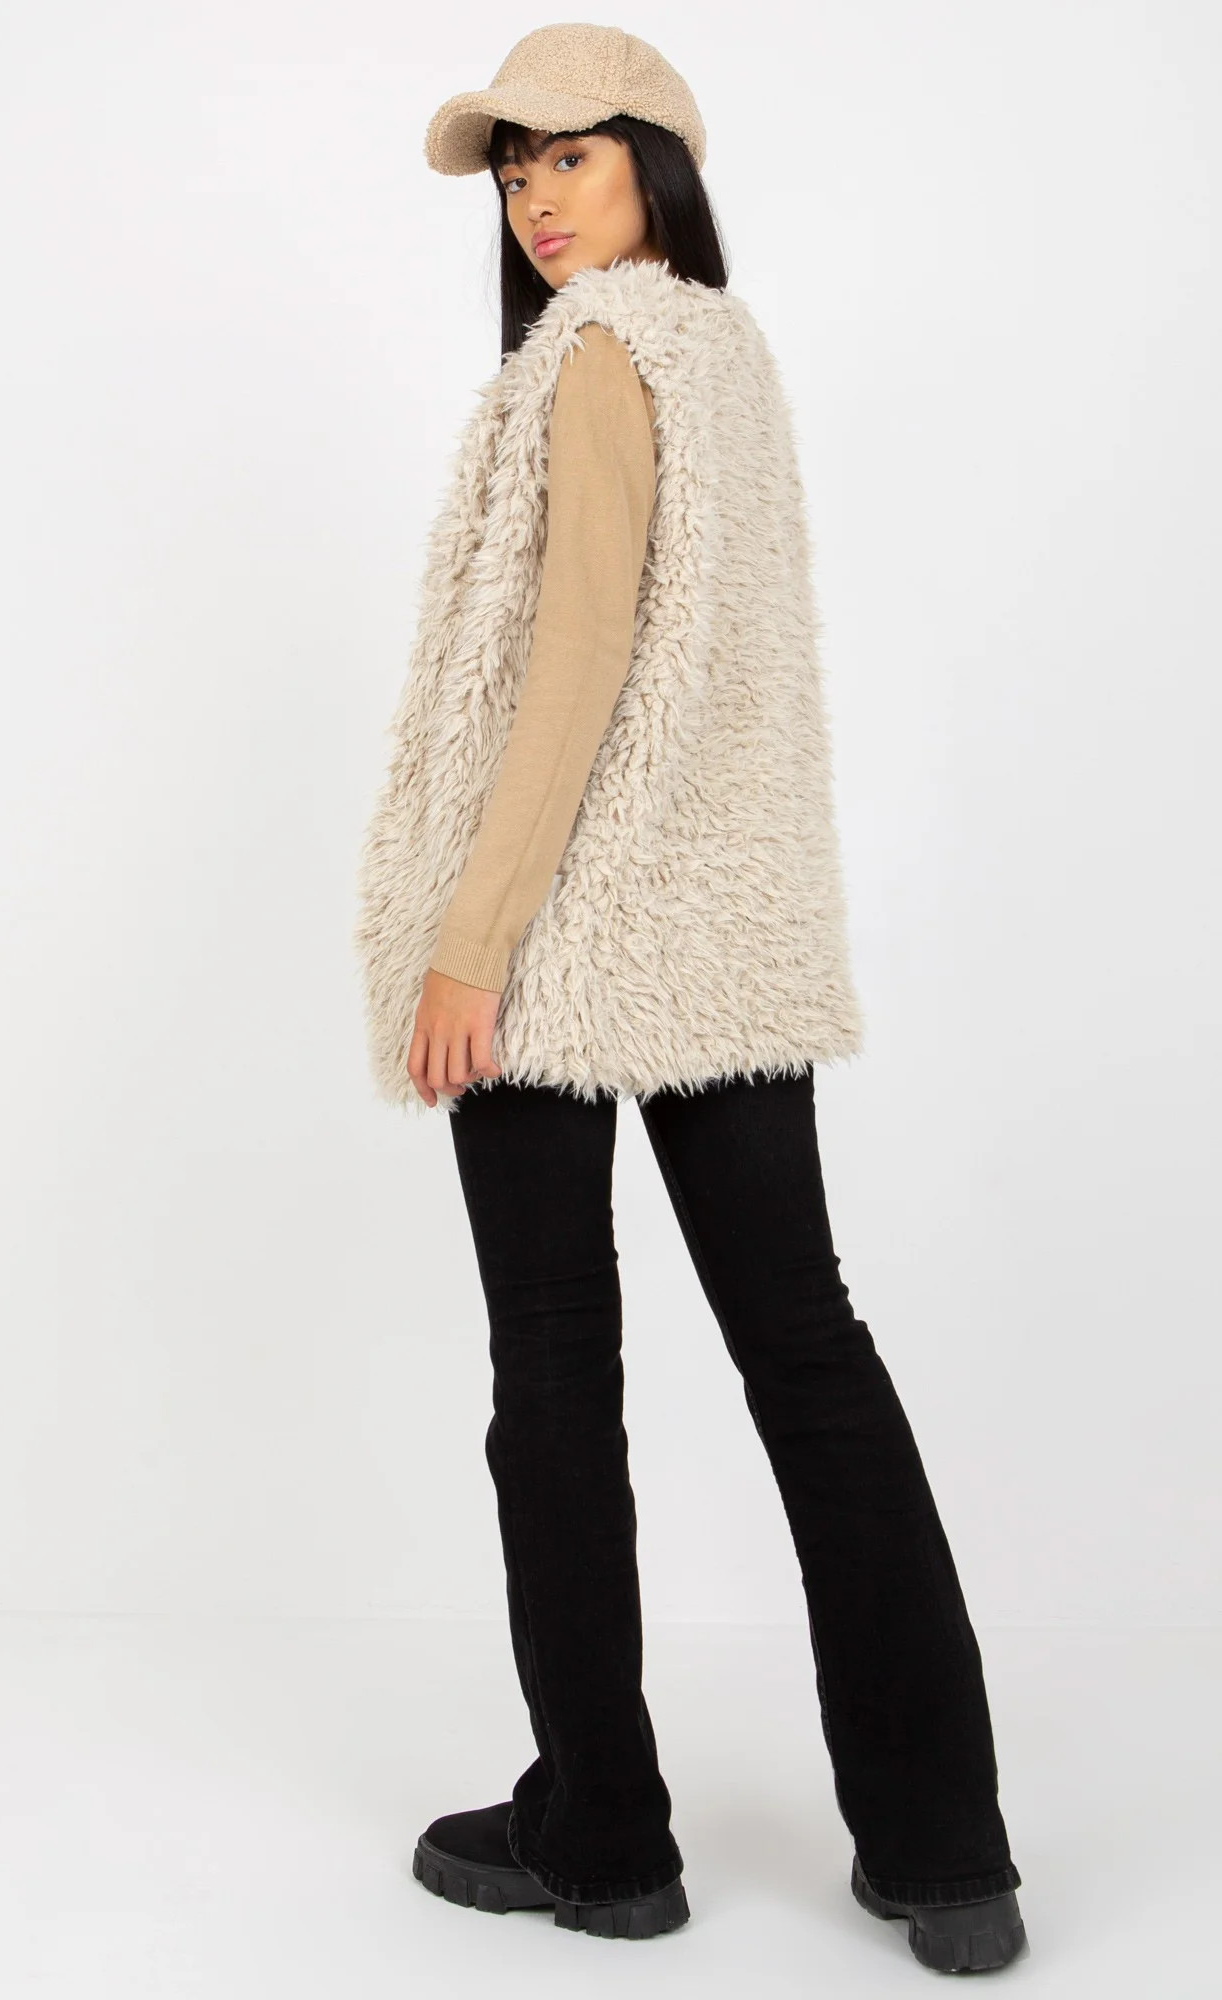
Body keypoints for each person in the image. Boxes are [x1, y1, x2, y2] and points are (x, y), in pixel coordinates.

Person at [352, 22, 1028, 1974]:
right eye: (514, 169)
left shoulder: (592, 358)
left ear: (655, 161)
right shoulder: (724, 353)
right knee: (812, 1354)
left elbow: (573, 664)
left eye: (570, 156)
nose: (535, 196)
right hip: (719, 929)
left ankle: (605, 1838)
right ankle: (949, 1854)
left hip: (557, 936)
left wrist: (472, 935)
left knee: (556, 1373)